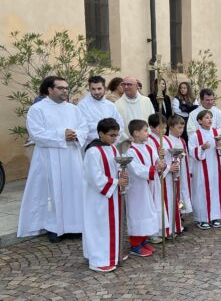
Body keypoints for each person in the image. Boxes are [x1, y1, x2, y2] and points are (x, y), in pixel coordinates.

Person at [17, 76, 89, 243]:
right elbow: (36, 133)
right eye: (61, 88)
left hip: (71, 157)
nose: (65, 91)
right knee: (51, 191)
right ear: (50, 90)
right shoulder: (37, 109)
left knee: (74, 189)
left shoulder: (73, 109)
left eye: (66, 88)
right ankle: (54, 227)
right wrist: (61, 135)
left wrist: (76, 135)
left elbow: (84, 127)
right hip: (48, 157)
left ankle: (74, 226)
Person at [82, 118, 127, 272]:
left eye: (116, 135)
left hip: (112, 194)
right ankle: (97, 259)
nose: (114, 138)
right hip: (99, 197)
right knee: (99, 227)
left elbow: (116, 167)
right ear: (101, 133)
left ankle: (113, 254)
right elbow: (94, 177)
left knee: (111, 225)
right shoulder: (93, 151)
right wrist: (116, 182)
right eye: (111, 135)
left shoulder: (112, 148)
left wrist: (122, 174)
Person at [125, 119, 166, 257]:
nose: (147, 133)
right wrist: (155, 168)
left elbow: (156, 161)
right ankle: (135, 244)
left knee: (148, 212)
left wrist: (161, 162)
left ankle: (143, 240)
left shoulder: (149, 147)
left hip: (150, 186)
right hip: (137, 188)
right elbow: (137, 169)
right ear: (136, 133)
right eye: (145, 130)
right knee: (138, 214)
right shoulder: (130, 152)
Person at [189, 110, 221, 229]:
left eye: (211, 117)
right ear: (200, 121)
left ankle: (215, 216)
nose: (210, 119)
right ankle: (202, 219)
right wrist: (202, 148)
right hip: (201, 168)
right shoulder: (195, 135)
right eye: (206, 118)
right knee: (201, 192)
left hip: (215, 167)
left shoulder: (216, 133)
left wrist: (220, 144)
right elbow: (192, 151)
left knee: (215, 190)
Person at [162, 115, 193, 235]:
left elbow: (185, 155)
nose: (181, 130)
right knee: (175, 195)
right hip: (173, 173)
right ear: (171, 127)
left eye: (182, 128)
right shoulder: (167, 140)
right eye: (179, 128)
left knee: (182, 195)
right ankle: (175, 221)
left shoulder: (182, 140)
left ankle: (179, 219)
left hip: (183, 172)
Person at [77, 76, 124, 145]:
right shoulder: (82, 105)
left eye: (99, 89)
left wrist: (112, 139)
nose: (96, 92)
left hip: (110, 145)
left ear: (104, 89)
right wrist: (104, 138)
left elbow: (120, 125)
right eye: (93, 89)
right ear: (89, 89)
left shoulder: (111, 105)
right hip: (91, 145)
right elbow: (85, 127)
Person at [146, 113, 170, 244]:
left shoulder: (163, 139)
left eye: (165, 127)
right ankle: (153, 232)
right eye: (160, 127)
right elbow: (150, 157)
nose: (163, 130)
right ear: (152, 127)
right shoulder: (149, 140)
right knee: (154, 205)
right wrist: (159, 156)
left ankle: (161, 230)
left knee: (160, 204)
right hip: (153, 177)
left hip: (161, 174)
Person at [115, 76, 155, 144]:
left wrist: (148, 135)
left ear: (136, 86)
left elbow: (152, 120)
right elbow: (118, 125)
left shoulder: (146, 101)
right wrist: (126, 138)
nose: (126, 87)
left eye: (129, 84)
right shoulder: (117, 104)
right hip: (128, 142)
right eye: (124, 84)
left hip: (146, 141)